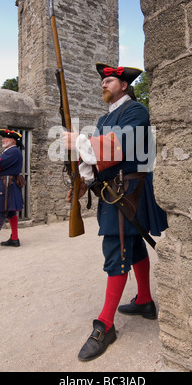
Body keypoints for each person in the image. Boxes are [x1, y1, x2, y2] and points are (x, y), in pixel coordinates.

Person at [62, 63, 168, 361]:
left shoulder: (137, 111)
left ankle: (105, 325)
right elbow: (96, 161)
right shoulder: (104, 116)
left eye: (109, 81)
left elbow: (120, 146)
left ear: (123, 85)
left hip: (128, 191)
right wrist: (83, 184)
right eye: (103, 82)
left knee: (116, 248)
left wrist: (79, 141)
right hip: (113, 189)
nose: (103, 85)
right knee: (131, 247)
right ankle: (145, 301)